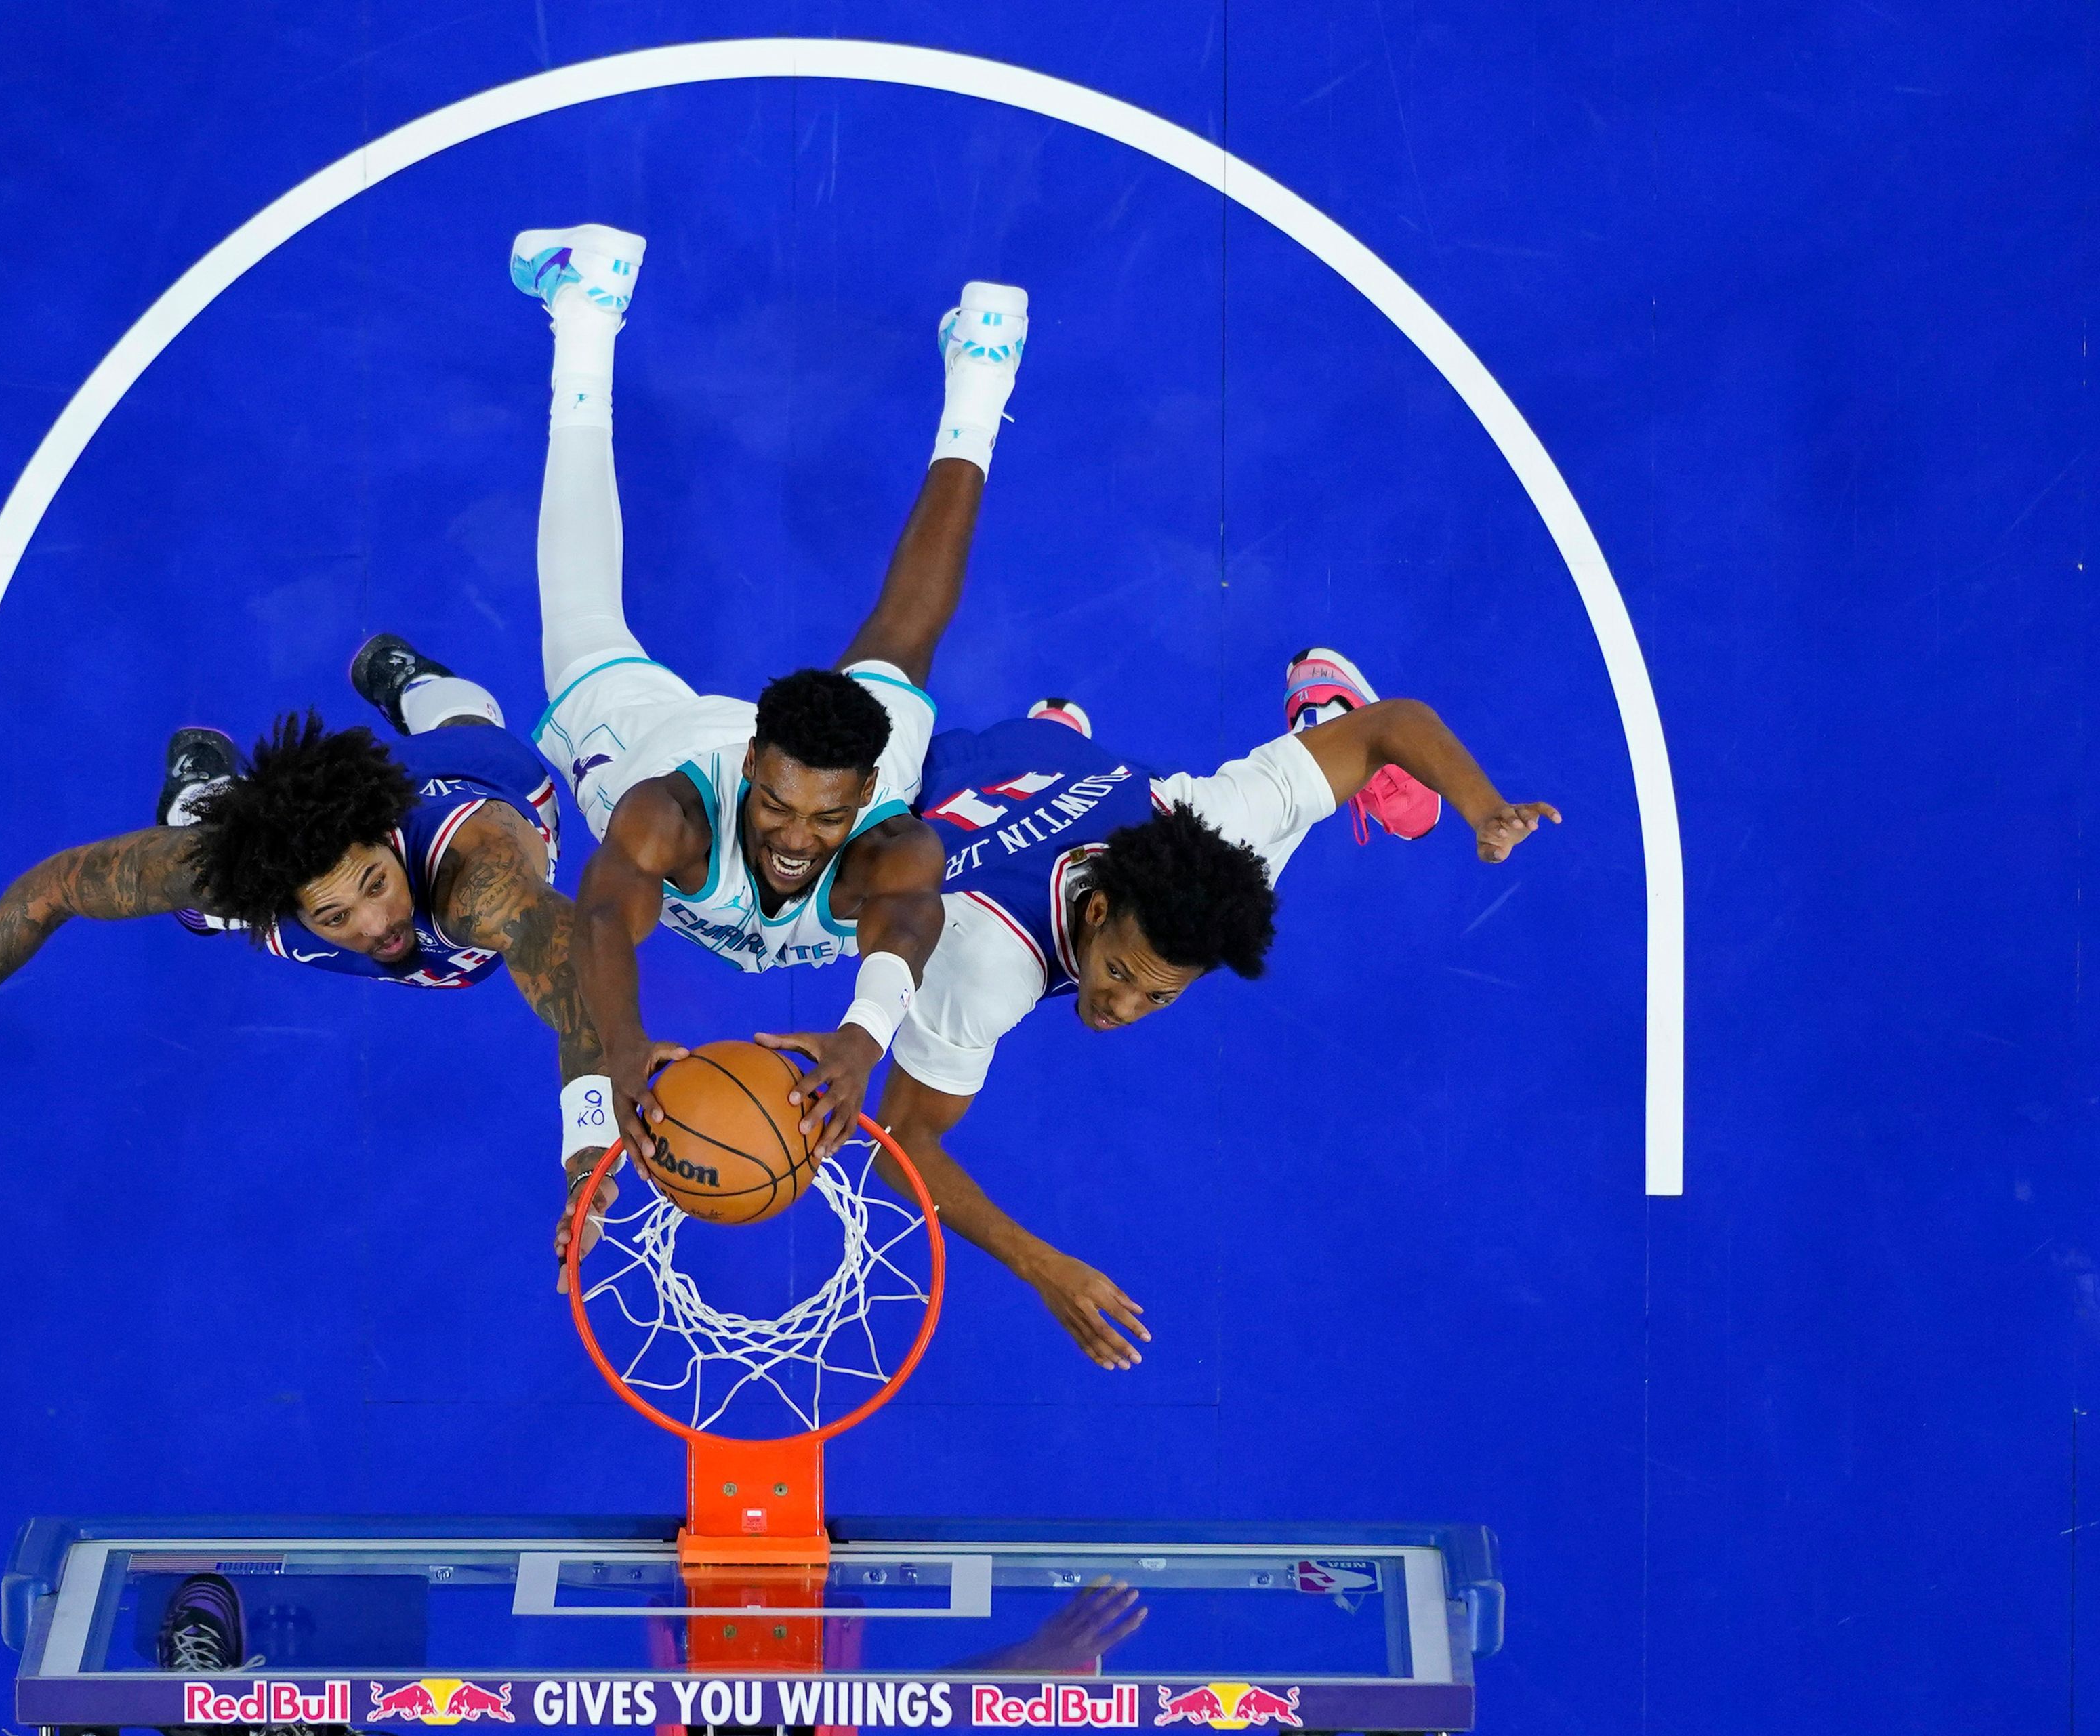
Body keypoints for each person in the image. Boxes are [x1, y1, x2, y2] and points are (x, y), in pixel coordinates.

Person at [506, 221, 1029, 1191]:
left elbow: (909, 923)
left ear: (867, 791)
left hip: (828, 749)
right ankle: (587, 312)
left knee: (901, 641)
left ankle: (983, 366)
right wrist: (622, 1047)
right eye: (780, 806)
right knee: (578, 621)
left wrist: (862, 1039)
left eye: (827, 815)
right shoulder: (666, 813)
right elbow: (602, 921)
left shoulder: (888, 840)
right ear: (754, 765)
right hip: (661, 736)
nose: (797, 838)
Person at [874, 648, 1561, 1369]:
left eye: (1160, 995)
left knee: (1245, 873)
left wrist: (1487, 809)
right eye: (1119, 973)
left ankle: (1324, 715)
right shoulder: (983, 965)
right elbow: (899, 1138)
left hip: (1078, 775)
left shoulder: (1212, 821)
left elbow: (1391, 722)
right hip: (952, 784)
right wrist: (1042, 1266)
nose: (1123, 1007)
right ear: (1097, 908)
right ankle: (1082, 740)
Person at [0, 641, 613, 1195]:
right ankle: (203, 801)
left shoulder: (482, 882)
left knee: (463, 725)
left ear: (383, 839)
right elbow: (46, 891)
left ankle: (406, 680)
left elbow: (577, 977)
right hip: (245, 865)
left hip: (479, 775)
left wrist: (588, 1141)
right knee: (204, 897)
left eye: (373, 884)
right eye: (333, 913)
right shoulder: (243, 888)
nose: (374, 927)